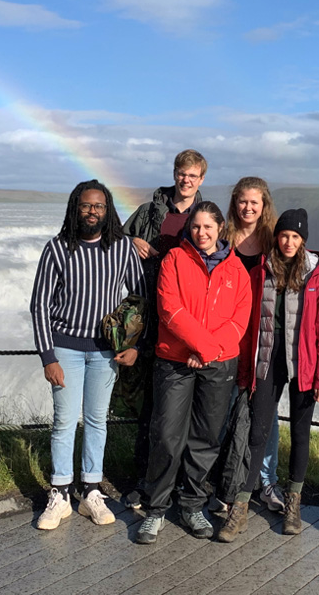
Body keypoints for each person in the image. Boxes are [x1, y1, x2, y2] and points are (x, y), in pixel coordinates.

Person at [29, 179, 146, 531]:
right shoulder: (57, 249)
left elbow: (139, 300)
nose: (92, 212)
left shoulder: (122, 248)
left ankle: (91, 490)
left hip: (105, 353)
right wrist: (47, 356)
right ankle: (60, 492)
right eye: (85, 206)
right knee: (64, 421)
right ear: (75, 208)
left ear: (107, 210)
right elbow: (39, 306)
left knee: (97, 420)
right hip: (65, 348)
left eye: (98, 206)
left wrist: (134, 345)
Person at [217, 209, 319, 541]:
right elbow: (248, 326)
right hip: (267, 364)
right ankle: (239, 507)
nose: (288, 241)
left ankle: (293, 504)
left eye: (295, 237)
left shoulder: (317, 276)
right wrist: (245, 372)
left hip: (304, 368)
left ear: (303, 241)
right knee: (257, 433)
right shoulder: (260, 272)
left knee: (300, 435)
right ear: (277, 237)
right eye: (284, 235)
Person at [136, 201, 251, 545]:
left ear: (220, 229)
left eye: (208, 227)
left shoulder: (236, 269)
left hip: (217, 364)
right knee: (168, 435)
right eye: (196, 226)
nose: (201, 233)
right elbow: (170, 308)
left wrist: (209, 351)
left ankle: (192, 504)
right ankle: (155, 509)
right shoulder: (174, 259)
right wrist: (202, 347)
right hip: (176, 361)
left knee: (205, 439)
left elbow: (239, 320)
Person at [121, 149, 207, 509]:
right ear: (174, 174)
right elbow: (112, 239)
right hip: (148, 317)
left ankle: (183, 484)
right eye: (181, 173)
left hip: (185, 322)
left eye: (192, 175)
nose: (185, 180)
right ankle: (145, 481)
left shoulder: (205, 217)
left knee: (183, 410)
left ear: (201, 179)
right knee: (150, 408)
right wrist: (131, 241)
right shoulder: (149, 211)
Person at [211, 177, 286, 514]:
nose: (248, 208)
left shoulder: (274, 242)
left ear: (264, 204)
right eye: (242, 201)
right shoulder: (223, 238)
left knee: (264, 412)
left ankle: (266, 480)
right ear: (234, 202)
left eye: (254, 202)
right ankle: (227, 479)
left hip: (263, 333)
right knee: (225, 407)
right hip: (229, 334)